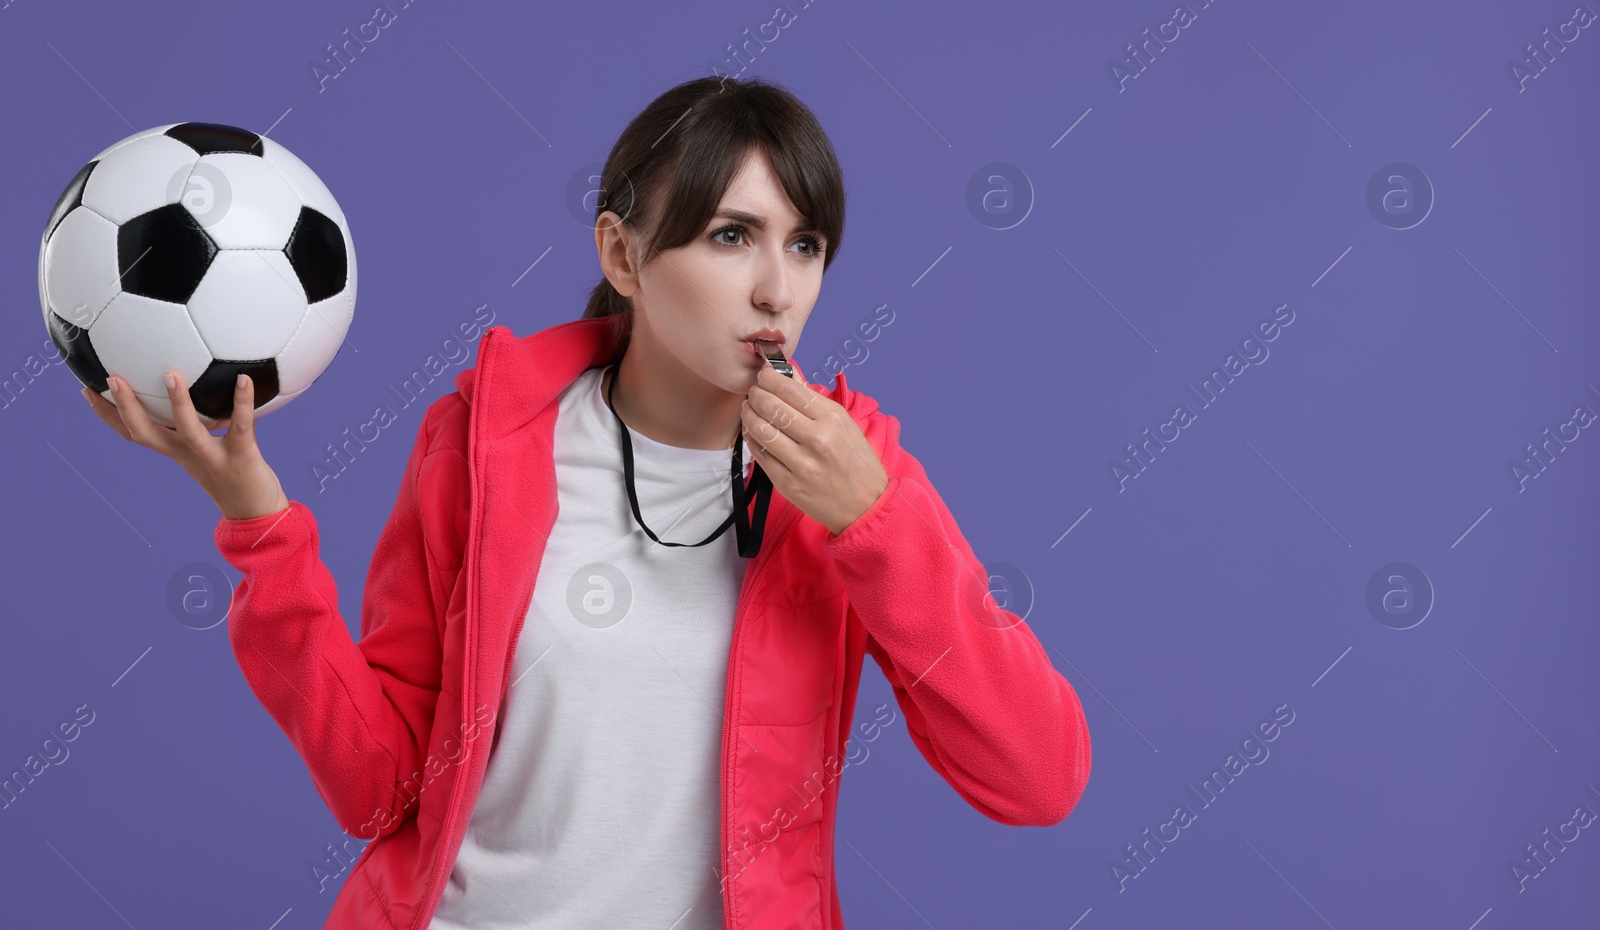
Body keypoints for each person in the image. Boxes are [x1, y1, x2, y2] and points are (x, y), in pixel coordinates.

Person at [83, 75, 1092, 929]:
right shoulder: (483, 439)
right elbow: (381, 787)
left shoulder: (853, 471)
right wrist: (264, 533)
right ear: (621, 255)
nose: (776, 290)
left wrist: (871, 523)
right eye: (733, 235)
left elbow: (1037, 775)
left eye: (806, 243)